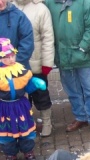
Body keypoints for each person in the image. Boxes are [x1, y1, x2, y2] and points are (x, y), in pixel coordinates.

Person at [45, 0, 90, 136]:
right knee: (72, 90)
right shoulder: (50, 3)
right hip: (62, 55)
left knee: (89, 90)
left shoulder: (86, 3)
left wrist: (83, 47)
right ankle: (80, 117)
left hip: (82, 54)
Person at [0, 38, 46, 160]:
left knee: (25, 128)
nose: (12, 59)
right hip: (4, 106)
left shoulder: (21, 70)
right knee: (6, 131)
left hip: (21, 105)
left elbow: (26, 87)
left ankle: (28, 151)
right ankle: (10, 154)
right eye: (7, 57)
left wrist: (34, 83)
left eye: (13, 55)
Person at [13, 0, 55, 137]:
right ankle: (26, 124)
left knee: (41, 95)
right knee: (21, 97)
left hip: (35, 62)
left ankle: (47, 122)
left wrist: (47, 63)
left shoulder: (41, 9)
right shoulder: (11, 7)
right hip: (15, 64)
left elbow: (48, 38)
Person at [0, 0, 33, 70]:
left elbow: (27, 43)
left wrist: (13, 63)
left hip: (15, 69)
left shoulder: (19, 16)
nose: (0, 2)